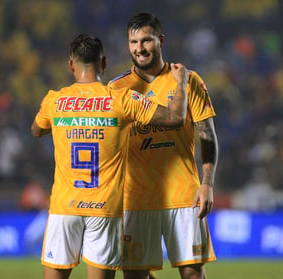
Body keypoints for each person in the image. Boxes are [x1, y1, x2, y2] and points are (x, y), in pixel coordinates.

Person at [31, 33, 189, 279]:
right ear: (103, 64)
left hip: (65, 207)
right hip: (103, 208)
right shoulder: (121, 99)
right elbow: (175, 119)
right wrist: (180, 83)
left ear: (71, 64)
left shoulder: (54, 100)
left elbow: (37, 130)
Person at [108, 13, 219, 279]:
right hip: (135, 197)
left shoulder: (189, 80)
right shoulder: (116, 88)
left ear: (161, 40)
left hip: (182, 193)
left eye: (146, 40)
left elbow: (207, 135)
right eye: (133, 42)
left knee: (193, 273)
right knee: (134, 275)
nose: (139, 48)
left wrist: (207, 183)